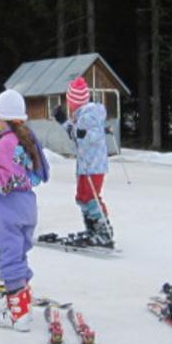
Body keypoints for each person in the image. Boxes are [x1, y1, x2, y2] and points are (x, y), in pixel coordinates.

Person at [0, 90, 50, 332]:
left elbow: (6, 178)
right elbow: (34, 173)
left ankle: (18, 315)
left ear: (2, 118)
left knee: (9, 257)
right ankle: (22, 304)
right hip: (27, 206)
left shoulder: (6, 142)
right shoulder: (29, 138)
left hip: (8, 208)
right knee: (19, 254)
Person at [62, 77, 111, 245]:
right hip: (86, 165)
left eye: (69, 101)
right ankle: (92, 229)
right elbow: (75, 133)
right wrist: (64, 122)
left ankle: (103, 231)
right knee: (83, 196)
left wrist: (82, 134)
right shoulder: (82, 115)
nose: (68, 105)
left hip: (93, 166)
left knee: (90, 197)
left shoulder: (89, 115)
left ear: (74, 102)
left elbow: (94, 135)